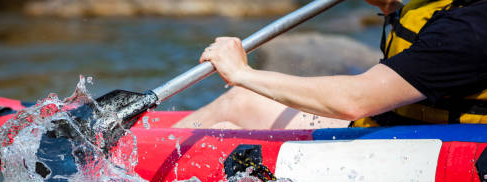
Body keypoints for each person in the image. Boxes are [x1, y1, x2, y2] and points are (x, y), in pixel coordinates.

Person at [173, 0, 487, 130]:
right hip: (394, 129)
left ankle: (130, 180)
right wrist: (388, 6)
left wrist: (241, 73)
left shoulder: (471, 28)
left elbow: (354, 100)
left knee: (232, 114)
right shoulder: (456, 11)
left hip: (419, 151)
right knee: (239, 106)